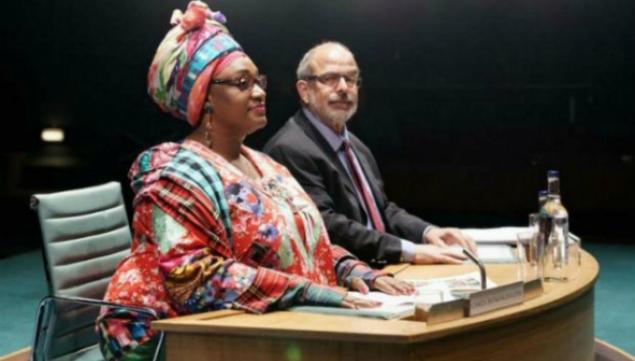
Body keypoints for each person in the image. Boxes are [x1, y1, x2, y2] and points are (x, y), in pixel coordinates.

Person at [98, 6, 412, 360]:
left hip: (244, 324)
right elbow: (194, 280)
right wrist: (313, 292)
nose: (261, 92)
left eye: (258, 81)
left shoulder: (265, 164)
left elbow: (302, 242)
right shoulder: (173, 175)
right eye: (242, 83)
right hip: (164, 337)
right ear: (204, 99)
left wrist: (356, 271)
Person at [264, 42, 477, 268]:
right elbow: (326, 226)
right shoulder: (289, 148)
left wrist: (427, 232)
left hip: (385, 270)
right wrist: (408, 250)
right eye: (331, 78)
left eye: (351, 78)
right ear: (304, 90)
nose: (344, 87)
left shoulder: (355, 145)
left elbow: (382, 209)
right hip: (346, 281)